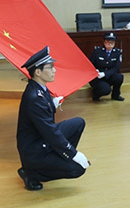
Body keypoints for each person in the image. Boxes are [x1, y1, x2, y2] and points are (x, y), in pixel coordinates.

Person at [17, 46, 89, 191]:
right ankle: (31, 173)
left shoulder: (39, 88)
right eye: (50, 67)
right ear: (38, 72)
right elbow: (50, 132)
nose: (54, 70)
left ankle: (57, 159)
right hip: (35, 150)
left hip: (41, 138)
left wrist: (52, 103)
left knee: (78, 123)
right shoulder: (34, 97)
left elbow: (43, 117)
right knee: (77, 169)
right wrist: (73, 153)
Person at [88, 32, 125, 102]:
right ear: (104, 42)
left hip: (108, 75)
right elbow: (90, 64)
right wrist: (95, 71)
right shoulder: (97, 51)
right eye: (108, 42)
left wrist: (105, 74)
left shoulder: (117, 52)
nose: (110, 44)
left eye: (112, 42)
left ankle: (116, 95)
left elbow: (116, 68)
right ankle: (95, 95)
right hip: (98, 77)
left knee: (119, 77)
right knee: (106, 90)